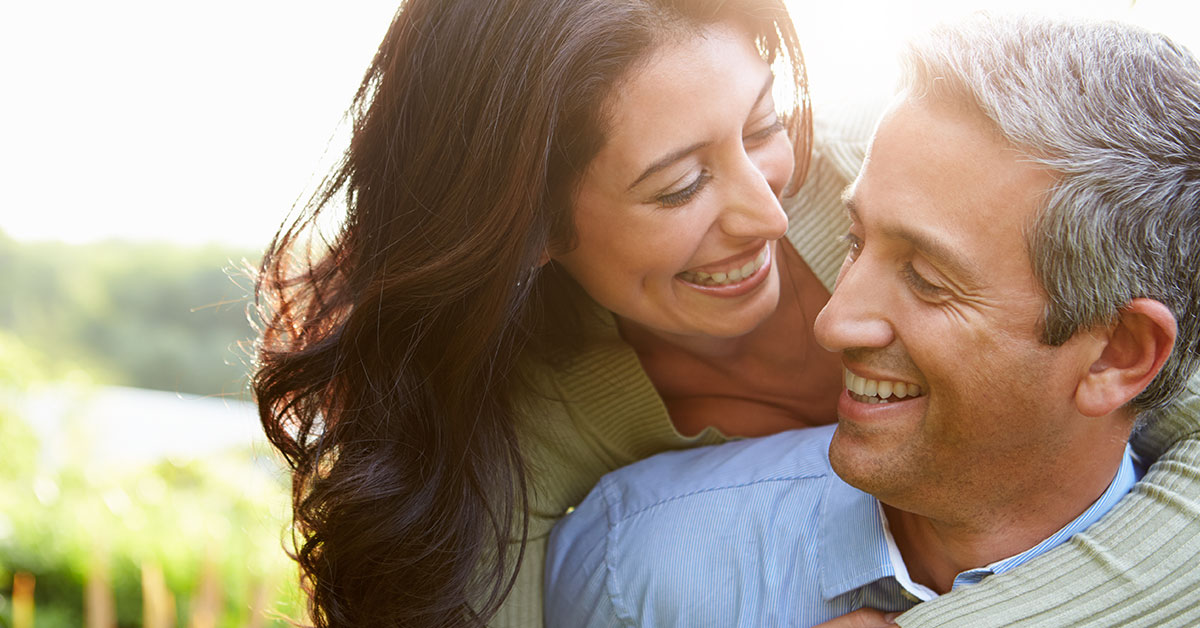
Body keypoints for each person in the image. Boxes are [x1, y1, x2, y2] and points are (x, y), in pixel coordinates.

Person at [250, 1, 1200, 626]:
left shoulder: (932, 179)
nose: (769, 211)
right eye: (681, 185)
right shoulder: (532, 419)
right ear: (532, 225)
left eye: (762, 127)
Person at [545, 13, 1200, 627]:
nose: (830, 324)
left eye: (927, 278)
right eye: (854, 240)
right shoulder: (632, 568)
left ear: (1117, 354)